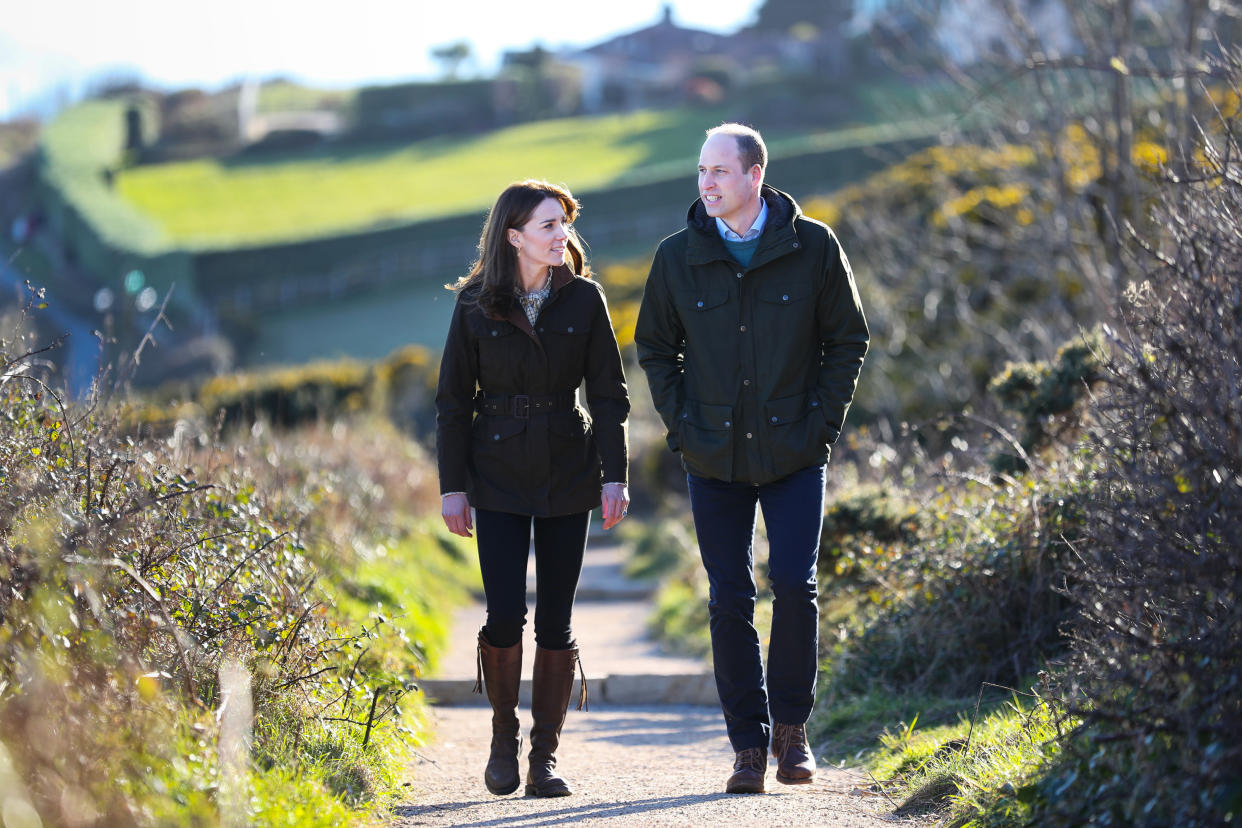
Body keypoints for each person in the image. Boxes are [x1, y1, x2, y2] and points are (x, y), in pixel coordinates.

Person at [634, 124, 868, 794]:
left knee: (795, 586)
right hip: (713, 458)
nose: (706, 184)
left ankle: (792, 734)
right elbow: (655, 347)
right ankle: (747, 747)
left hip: (796, 450)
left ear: (755, 174)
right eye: (701, 172)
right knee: (729, 598)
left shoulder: (815, 246)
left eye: (719, 172)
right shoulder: (676, 257)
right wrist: (683, 428)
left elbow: (848, 340)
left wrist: (822, 424)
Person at [436, 180, 630, 798]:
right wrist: (453, 488)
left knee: (556, 617)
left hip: (568, 470)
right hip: (493, 476)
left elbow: (608, 397)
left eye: (565, 224)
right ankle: (501, 735)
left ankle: (543, 756)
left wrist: (615, 474)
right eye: (549, 225)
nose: (561, 236)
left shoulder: (587, 300)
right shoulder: (473, 304)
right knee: (502, 615)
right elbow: (450, 405)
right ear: (514, 235)